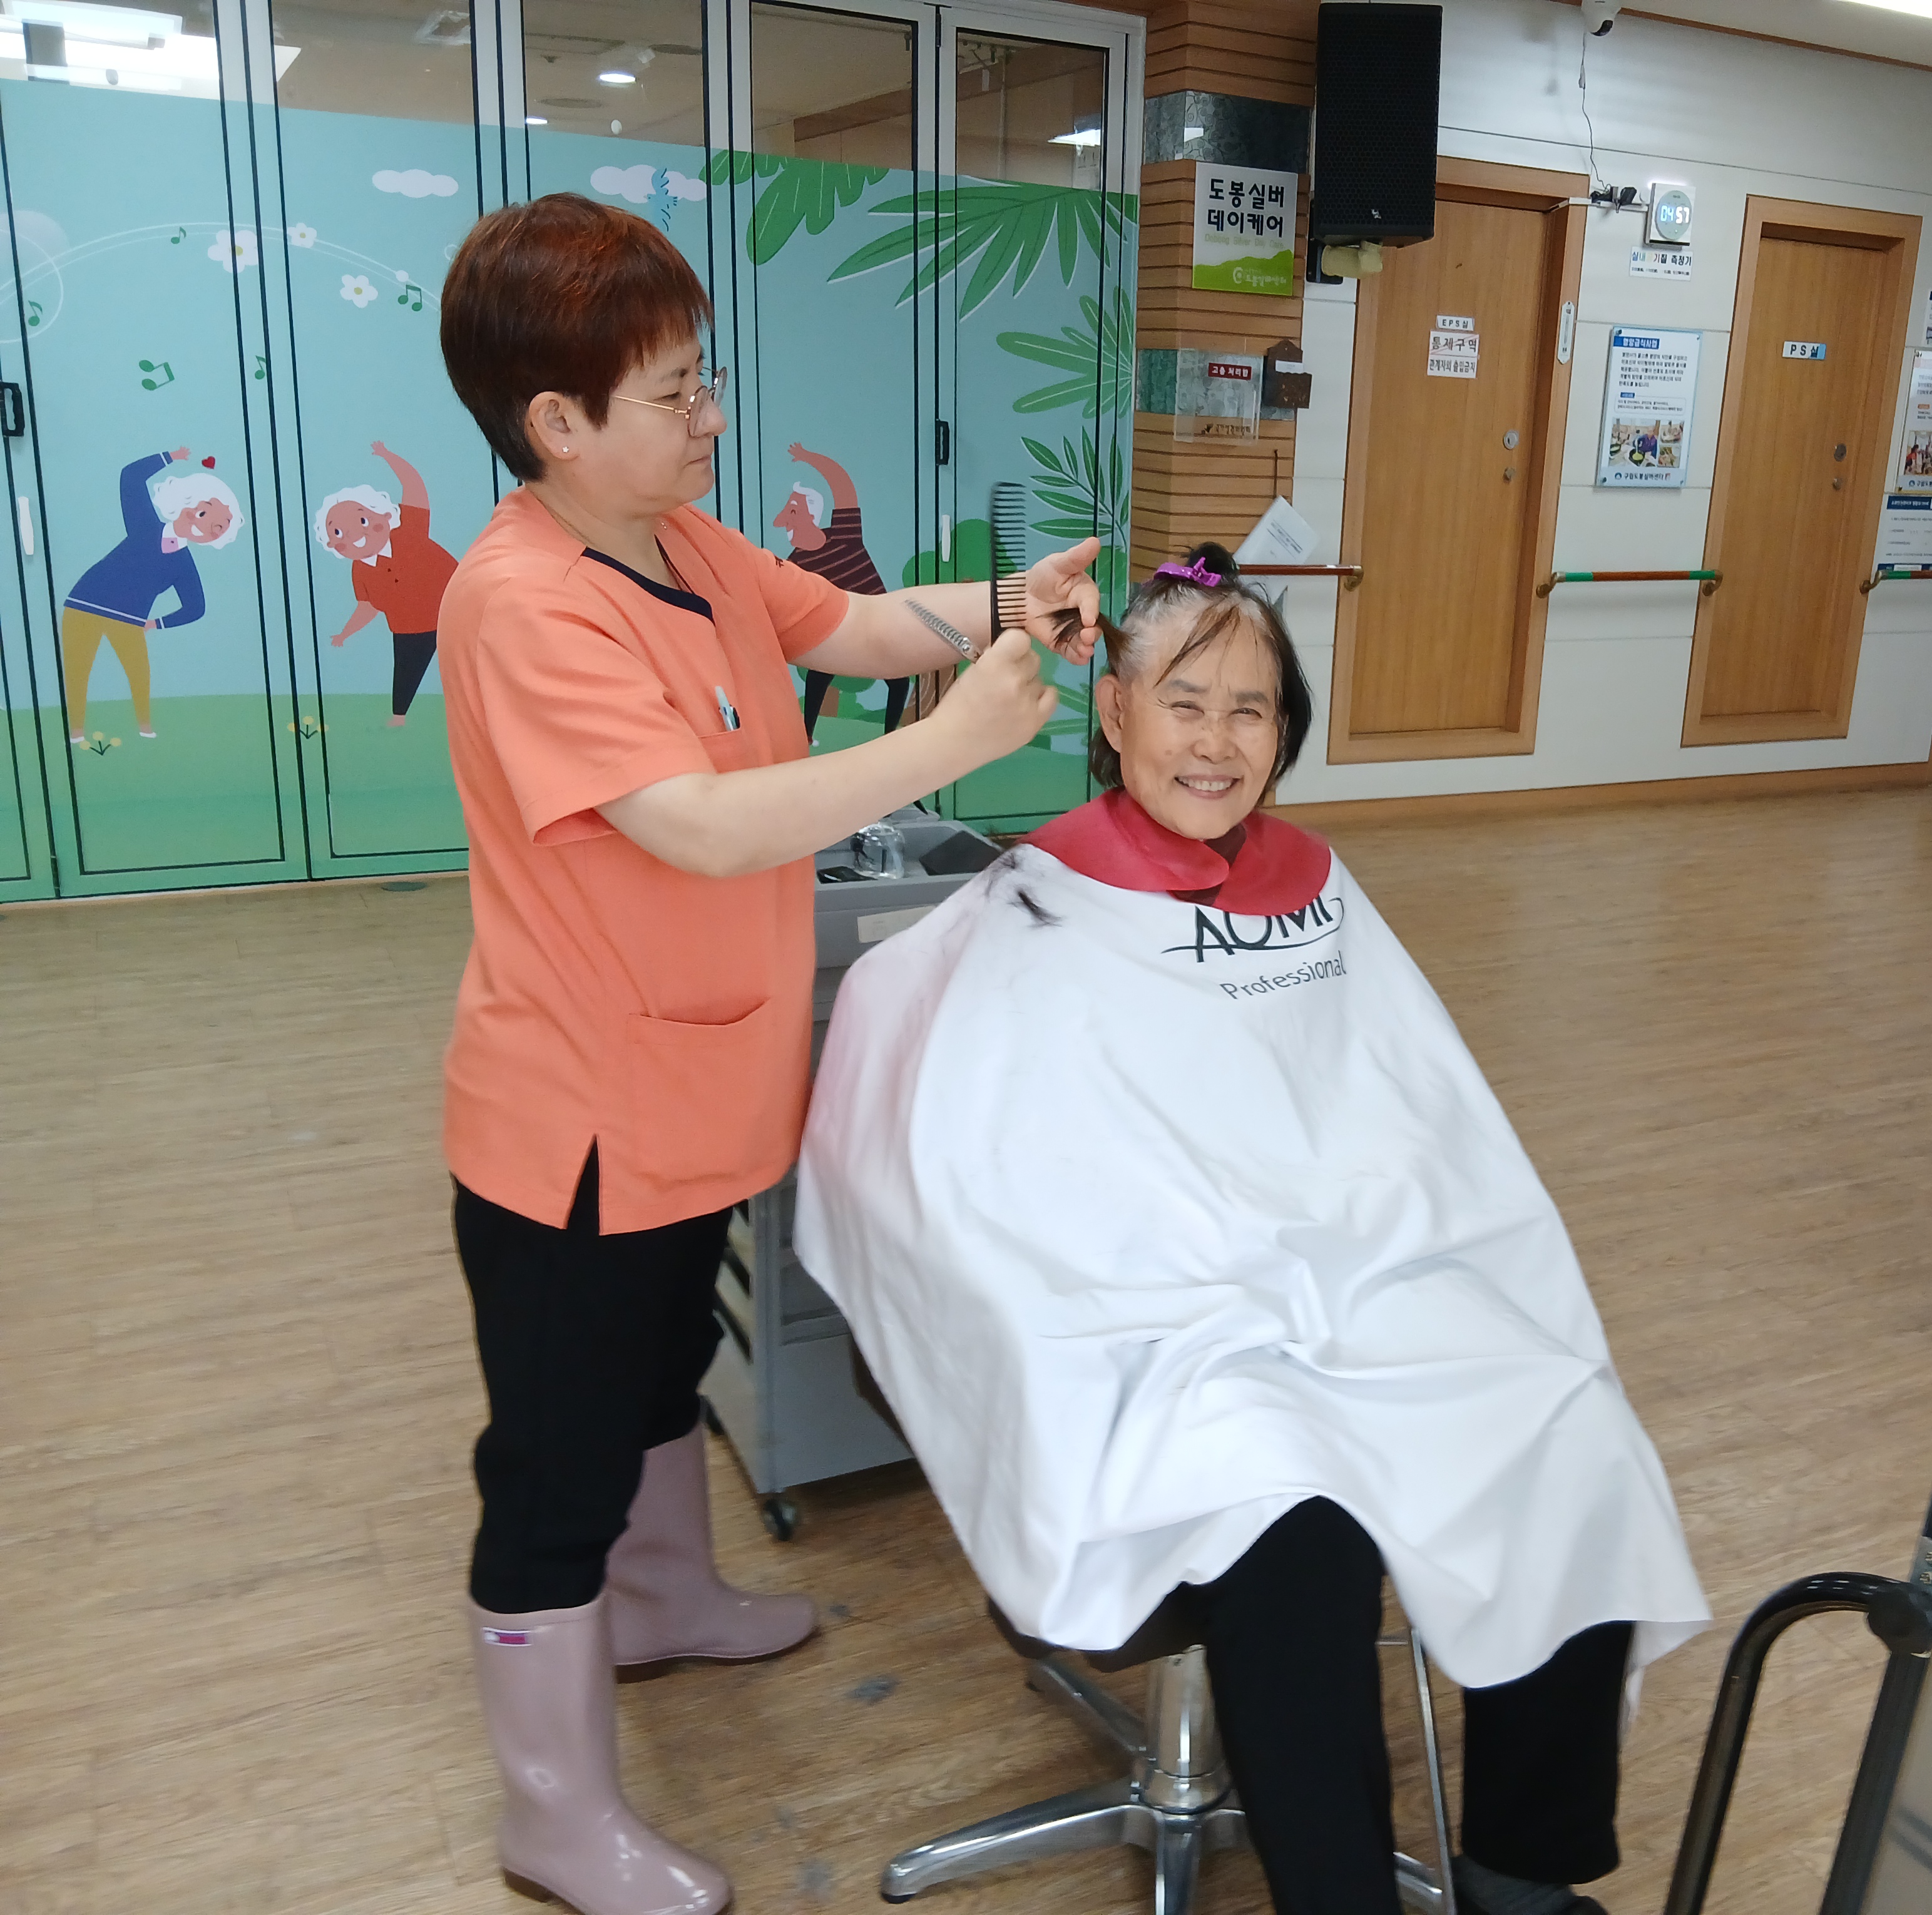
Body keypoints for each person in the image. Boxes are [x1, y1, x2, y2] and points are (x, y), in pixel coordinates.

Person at [796, 544, 1710, 1915]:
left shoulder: (1318, 888)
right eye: (1184, 702)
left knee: (1569, 1433)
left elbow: (1414, 1110)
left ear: (1287, 731)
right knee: (1295, 1523)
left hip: (1356, 1276)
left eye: (1251, 709)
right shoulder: (1039, 901)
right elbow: (939, 1150)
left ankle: (1524, 1872)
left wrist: (1389, 1246)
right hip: (1143, 1324)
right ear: (1114, 713)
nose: (1216, 742)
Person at [433, 192, 1100, 1915]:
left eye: (702, 379)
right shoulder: (525, 600)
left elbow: (852, 628)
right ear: (555, 421)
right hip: (577, 1123)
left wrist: (1003, 602)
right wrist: (953, 747)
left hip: (693, 1084)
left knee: (663, 1371)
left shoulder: (680, 539)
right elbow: (702, 826)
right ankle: (552, 1813)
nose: (709, 416)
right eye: (673, 392)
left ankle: (663, 1601)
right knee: (555, 1464)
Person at [60, 446, 243, 744]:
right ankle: (77, 732)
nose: (210, 526)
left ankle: (145, 729)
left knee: (139, 673)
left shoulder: (183, 564)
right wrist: (171, 456)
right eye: (206, 512)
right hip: (84, 604)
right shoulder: (145, 524)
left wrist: (157, 623)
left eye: (219, 528)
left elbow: (196, 607)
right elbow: (130, 477)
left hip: (129, 619)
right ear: (186, 504)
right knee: (78, 669)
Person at [319, 441, 463, 727]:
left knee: (470, 663)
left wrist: (388, 456)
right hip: (409, 629)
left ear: (385, 516)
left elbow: (414, 486)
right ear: (336, 547)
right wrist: (345, 633)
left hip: (457, 611)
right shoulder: (361, 571)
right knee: (406, 672)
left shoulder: (409, 529)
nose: (354, 533)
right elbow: (367, 607)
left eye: (362, 520)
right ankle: (399, 716)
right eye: (339, 533)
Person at [769, 442, 907, 740]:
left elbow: (842, 485)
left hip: (880, 623)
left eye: (794, 509)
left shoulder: (845, 534)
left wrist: (809, 457)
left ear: (810, 515)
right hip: (838, 632)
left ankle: (890, 738)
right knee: (819, 675)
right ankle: (806, 736)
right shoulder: (795, 565)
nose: (786, 517)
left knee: (899, 680)